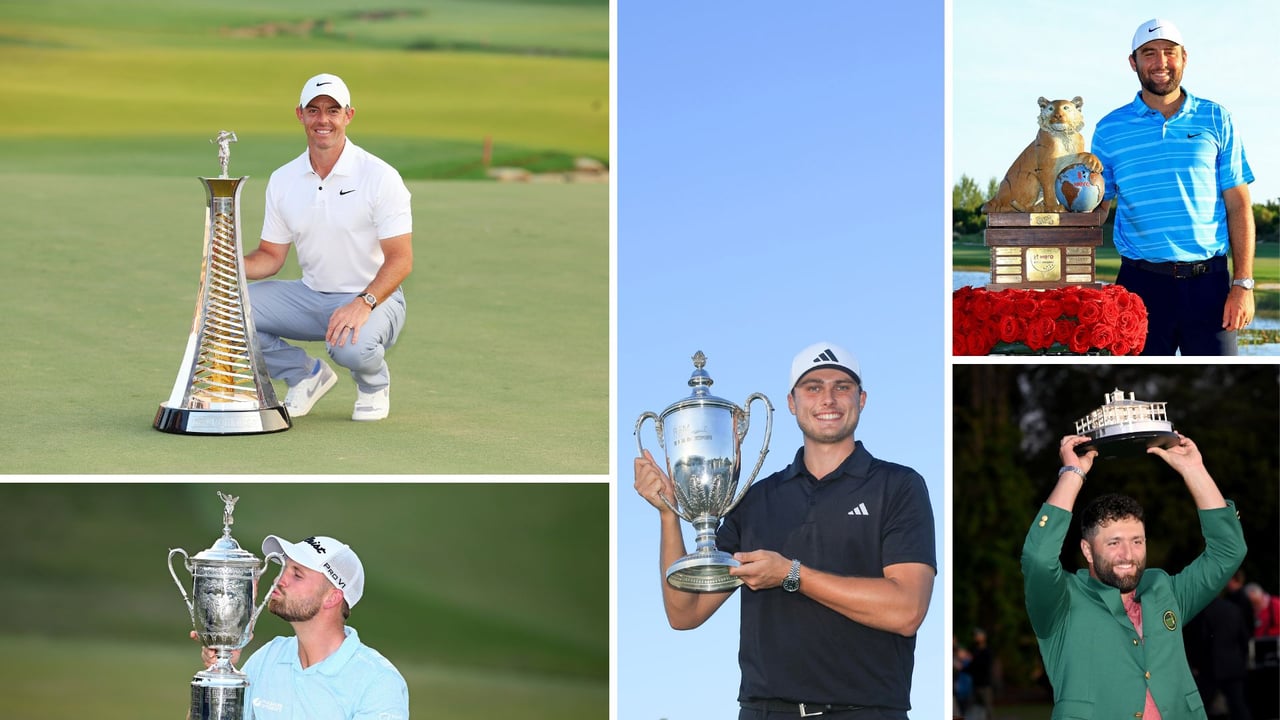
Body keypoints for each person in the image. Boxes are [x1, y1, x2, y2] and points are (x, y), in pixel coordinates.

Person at [634, 342, 937, 719]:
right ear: (792, 402)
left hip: (866, 711)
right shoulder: (755, 498)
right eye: (813, 387)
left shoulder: (898, 486)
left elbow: (906, 610)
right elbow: (685, 612)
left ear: (861, 398)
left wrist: (792, 574)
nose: (828, 398)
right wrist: (668, 514)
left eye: (841, 386)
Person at [1022, 434, 1247, 719]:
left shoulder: (1164, 589)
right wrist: (1072, 474)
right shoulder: (1060, 602)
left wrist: (1194, 470)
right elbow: (1038, 558)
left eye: (1137, 541)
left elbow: (1228, 551)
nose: (1128, 554)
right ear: (1087, 551)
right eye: (1114, 543)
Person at [245, 73, 413, 421]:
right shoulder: (283, 179)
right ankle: (306, 375)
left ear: (348, 116)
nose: (323, 120)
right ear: (300, 115)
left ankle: (373, 383)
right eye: (314, 110)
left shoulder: (379, 176)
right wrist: (223, 262)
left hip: (376, 297)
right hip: (310, 295)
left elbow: (401, 259)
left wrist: (363, 303)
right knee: (229, 312)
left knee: (351, 347)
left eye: (333, 111)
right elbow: (271, 257)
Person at [1091, 18, 1256, 356]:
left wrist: (1243, 284)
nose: (1161, 62)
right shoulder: (1109, 130)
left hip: (1209, 286)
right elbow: (1097, 207)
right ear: (1133, 62)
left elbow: (1239, 205)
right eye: (1149, 53)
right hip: (1139, 287)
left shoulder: (1216, 118)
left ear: (1184, 57)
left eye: (1170, 52)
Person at [192, 534, 409, 719]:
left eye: (297, 574)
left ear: (332, 598)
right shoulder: (269, 657)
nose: (280, 579)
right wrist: (218, 677)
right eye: (284, 568)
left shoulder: (378, 682)